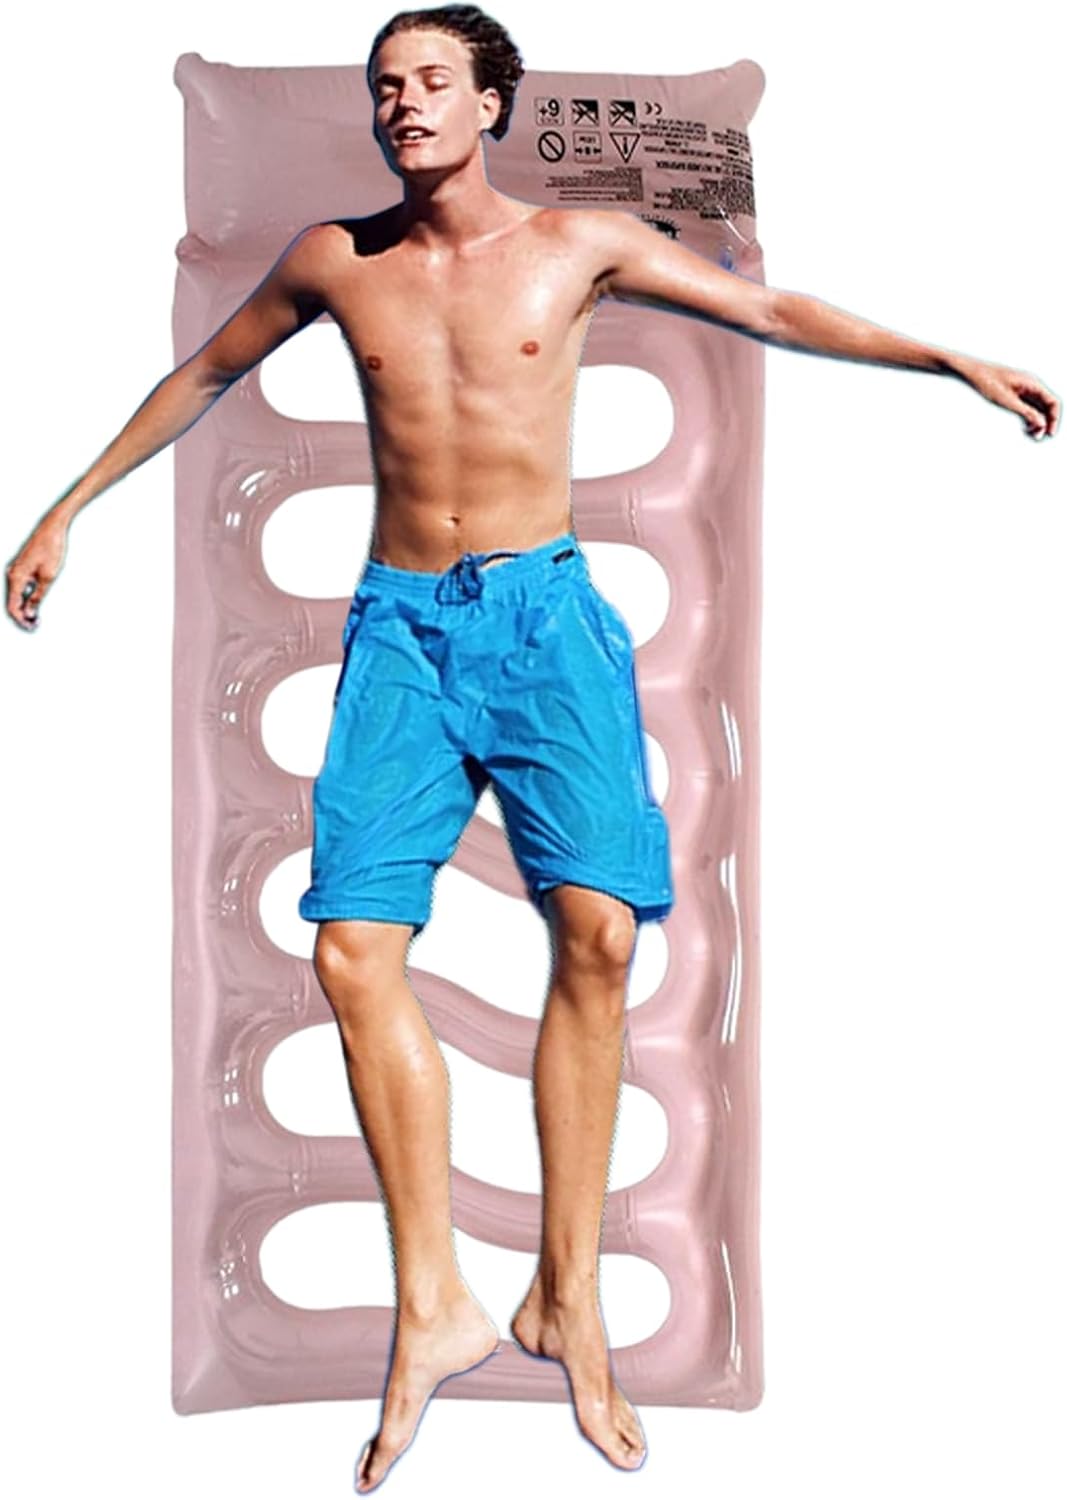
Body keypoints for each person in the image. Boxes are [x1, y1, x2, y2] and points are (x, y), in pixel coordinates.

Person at [5, 4, 1059, 1491]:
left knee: (602, 938)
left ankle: (568, 1298)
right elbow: (203, 375)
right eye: (386, 86)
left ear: (492, 104)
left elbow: (772, 312)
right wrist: (65, 507)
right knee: (351, 953)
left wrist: (947, 358)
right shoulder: (335, 258)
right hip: (400, 633)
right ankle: (433, 1301)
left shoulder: (579, 245)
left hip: (546, 624)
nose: (405, 104)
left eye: (434, 81)